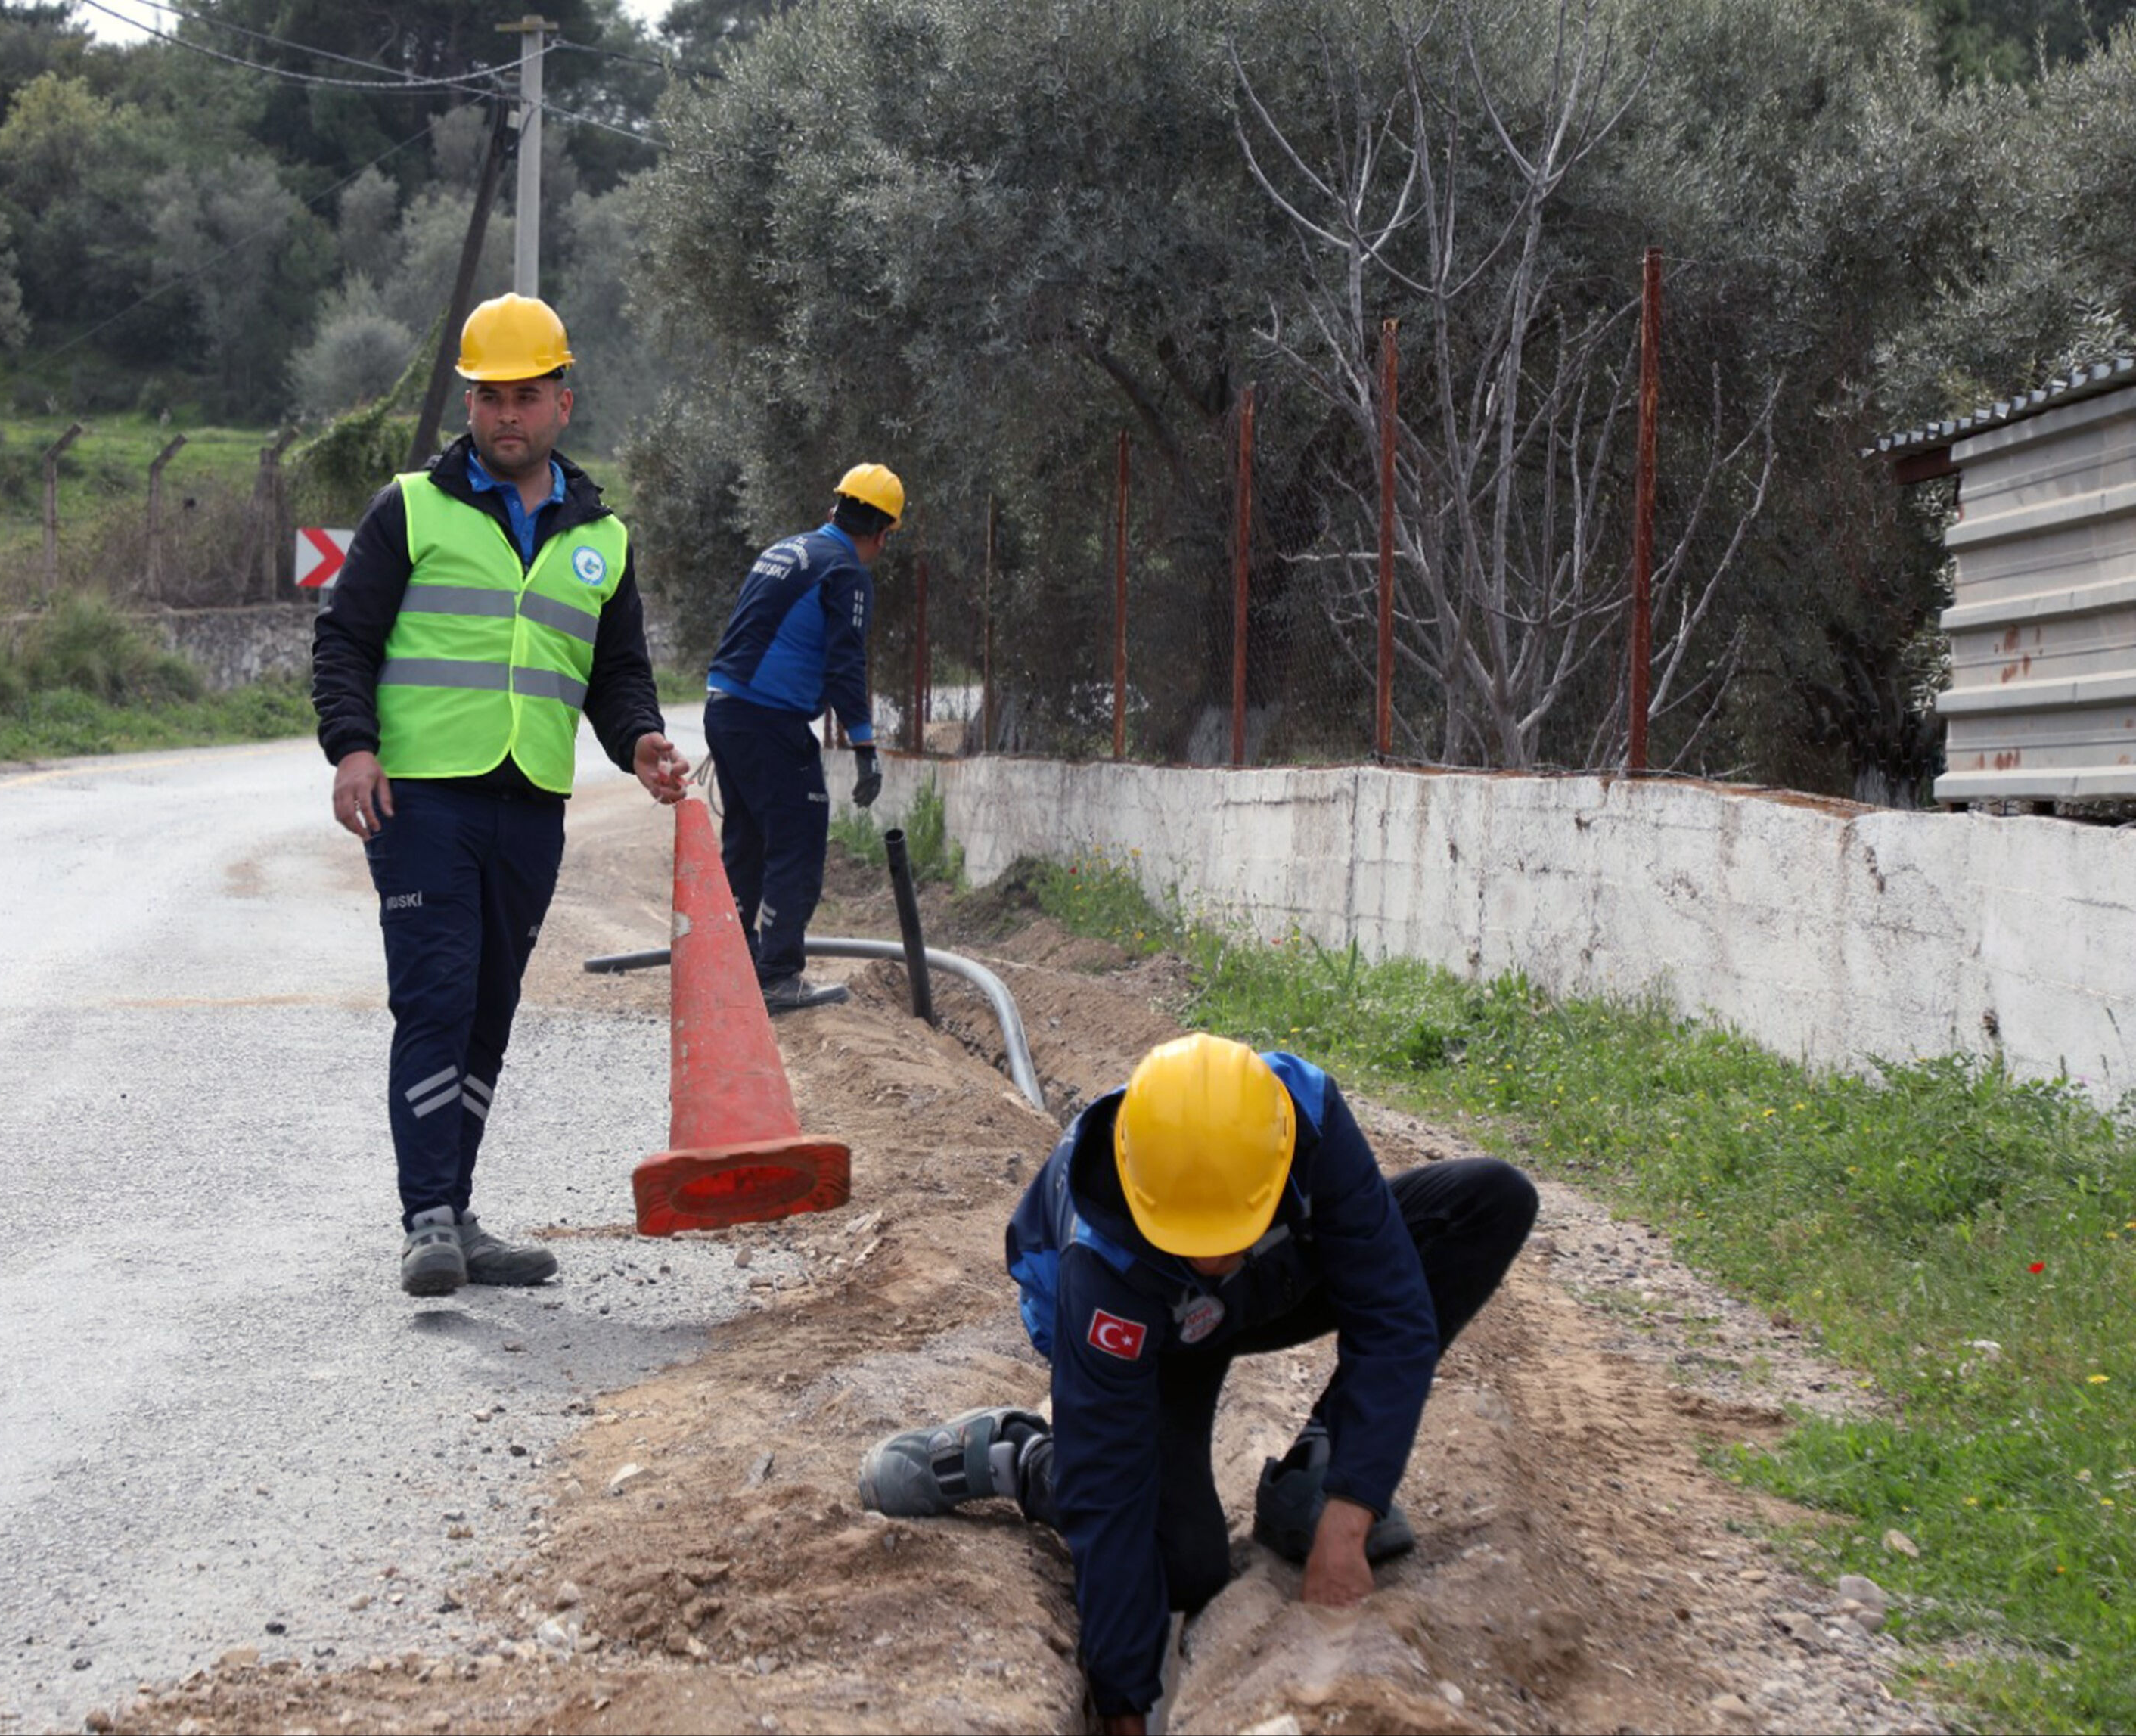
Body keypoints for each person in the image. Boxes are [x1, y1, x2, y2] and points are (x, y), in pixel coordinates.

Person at [857, 1033, 1538, 1734]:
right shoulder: (1100, 1262)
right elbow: (1109, 1487)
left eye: (1227, 1229)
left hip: (1267, 1278)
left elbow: (1391, 1311)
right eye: (1197, 1236)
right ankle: (1024, 1457)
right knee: (1184, 1570)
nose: (1215, 1253)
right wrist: (1122, 1699)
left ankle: (1317, 1470)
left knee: (1487, 1202)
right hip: (1152, 1334)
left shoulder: (1298, 1117)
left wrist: (1351, 1507)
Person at [310, 292, 692, 1299]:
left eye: (526, 395)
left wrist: (641, 739)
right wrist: (352, 746)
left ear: (563, 401)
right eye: (489, 397)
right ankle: (427, 1218)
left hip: (531, 804)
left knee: (488, 1005)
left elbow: (617, 673)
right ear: (470, 404)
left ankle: (459, 1210)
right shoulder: (411, 508)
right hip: (422, 800)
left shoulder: (602, 536)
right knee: (435, 997)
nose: (506, 414)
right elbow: (344, 638)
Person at [701, 463, 903, 1014]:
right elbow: (845, 664)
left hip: (724, 710)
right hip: (769, 721)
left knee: (746, 842)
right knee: (799, 841)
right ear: (883, 534)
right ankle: (776, 975)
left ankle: (731, 966)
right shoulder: (845, 571)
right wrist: (865, 748)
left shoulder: (787, 549)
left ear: (834, 509)